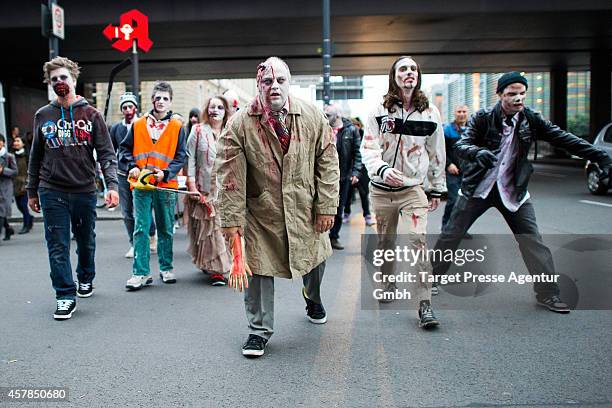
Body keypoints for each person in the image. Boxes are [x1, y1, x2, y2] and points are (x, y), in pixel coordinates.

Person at [432, 71, 612, 313]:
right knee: (451, 235)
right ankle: (430, 279)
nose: (518, 98)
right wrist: (477, 152)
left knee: (533, 242)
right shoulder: (483, 117)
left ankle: (548, 294)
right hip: (478, 188)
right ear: (500, 95)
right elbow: (463, 144)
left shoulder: (531, 118)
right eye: (511, 94)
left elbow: (564, 138)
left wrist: (599, 155)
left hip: (512, 191)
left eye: (522, 94)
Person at [216, 57, 339, 357]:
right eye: (267, 81)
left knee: (315, 261)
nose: (274, 87)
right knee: (256, 268)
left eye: (280, 80)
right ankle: (258, 331)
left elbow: (328, 161)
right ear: (258, 85)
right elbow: (229, 178)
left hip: (305, 207)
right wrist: (233, 224)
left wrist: (326, 205)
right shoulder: (239, 124)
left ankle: (312, 296)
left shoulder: (311, 116)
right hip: (262, 212)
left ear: (289, 82)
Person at [27, 56, 119, 320]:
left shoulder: (91, 115)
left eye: (63, 77)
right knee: (57, 244)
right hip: (51, 189)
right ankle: (65, 295)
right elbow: (35, 156)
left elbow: (106, 154)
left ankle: (85, 276)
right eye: (54, 79)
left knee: (86, 241)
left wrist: (111, 185)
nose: (59, 82)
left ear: (74, 79)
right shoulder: (43, 115)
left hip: (84, 189)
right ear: (49, 84)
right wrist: (32, 190)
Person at [361, 55, 446, 329]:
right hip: (382, 190)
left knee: (417, 243)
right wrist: (383, 169)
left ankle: (425, 305)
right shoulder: (378, 109)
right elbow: (369, 149)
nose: (408, 72)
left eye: (413, 68)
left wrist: (436, 189)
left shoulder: (430, 113)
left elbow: (437, 153)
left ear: (417, 76)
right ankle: (387, 279)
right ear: (394, 76)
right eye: (402, 69)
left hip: (413, 190)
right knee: (386, 243)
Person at [120, 81, 187, 290]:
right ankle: (140, 273)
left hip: (166, 185)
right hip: (141, 184)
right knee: (141, 228)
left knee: (166, 228)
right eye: (157, 98)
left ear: (170, 102)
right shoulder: (138, 124)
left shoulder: (177, 127)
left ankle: (166, 268)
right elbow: (124, 150)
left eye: (165, 98)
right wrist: (131, 166)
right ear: (152, 100)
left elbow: (181, 156)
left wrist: (165, 173)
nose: (161, 101)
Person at [185, 96, 231, 286]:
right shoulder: (197, 131)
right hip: (203, 189)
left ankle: (219, 265)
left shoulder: (231, 132)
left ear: (226, 111)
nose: (215, 110)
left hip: (227, 190)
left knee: (222, 229)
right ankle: (217, 270)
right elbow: (191, 160)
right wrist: (192, 186)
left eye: (220, 107)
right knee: (208, 230)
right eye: (212, 107)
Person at [110, 92, 157, 258]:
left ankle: (151, 236)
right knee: (127, 212)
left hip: (143, 174)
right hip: (123, 174)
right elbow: (112, 150)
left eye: (130, 106)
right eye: (124, 107)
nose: (128, 110)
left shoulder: (144, 125)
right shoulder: (116, 128)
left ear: (136, 108)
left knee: (144, 209)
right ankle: (134, 243)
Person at [324, 104, 362, 250]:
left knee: (338, 209)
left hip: (343, 177)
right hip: (324, 177)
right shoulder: (323, 128)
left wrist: (355, 173)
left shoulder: (351, 130)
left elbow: (357, 153)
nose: (326, 117)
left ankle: (333, 237)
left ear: (337, 115)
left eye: (328, 115)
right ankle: (321, 237)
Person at [441, 104, 470, 232]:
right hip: (453, 171)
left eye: (464, 111)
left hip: (469, 172)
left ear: (467, 113)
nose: (462, 114)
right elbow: (441, 150)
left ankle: (461, 229)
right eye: (459, 111)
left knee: (466, 203)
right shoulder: (447, 129)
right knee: (453, 200)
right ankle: (446, 226)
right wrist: (449, 164)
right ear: (455, 113)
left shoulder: (472, 129)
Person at [343, 116, 375, 226]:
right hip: (350, 169)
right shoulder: (347, 136)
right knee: (348, 195)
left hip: (363, 170)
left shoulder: (365, 137)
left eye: (356, 126)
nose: (355, 128)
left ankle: (367, 216)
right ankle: (346, 213)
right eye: (353, 126)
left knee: (363, 194)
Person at [11, 136, 33, 234]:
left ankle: (26, 225)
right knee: (19, 206)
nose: (15, 143)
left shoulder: (28, 156)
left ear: (23, 143)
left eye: (18, 141)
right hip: (15, 185)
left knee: (23, 205)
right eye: (15, 141)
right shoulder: (11, 156)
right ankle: (29, 218)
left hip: (25, 184)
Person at [0, 134, 17, 242]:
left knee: (1, 211)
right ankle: (8, 228)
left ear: (3, 142)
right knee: (1, 212)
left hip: (5, 187)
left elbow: (15, 172)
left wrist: (3, 171)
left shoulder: (9, 156)